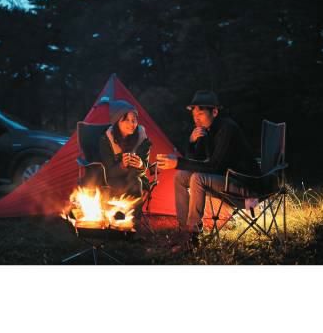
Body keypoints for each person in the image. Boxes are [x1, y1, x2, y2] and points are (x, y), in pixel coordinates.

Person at [157, 90, 260, 241]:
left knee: (198, 178)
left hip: (245, 184)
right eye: (194, 115)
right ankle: (183, 228)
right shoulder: (206, 130)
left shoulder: (227, 129)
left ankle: (192, 233)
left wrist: (178, 162)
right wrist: (192, 142)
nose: (196, 118)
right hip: (225, 178)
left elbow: (214, 166)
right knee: (180, 176)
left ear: (215, 112)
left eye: (200, 114)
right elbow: (196, 161)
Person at [99, 100, 151, 199]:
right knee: (129, 186)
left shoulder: (142, 139)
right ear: (117, 121)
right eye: (127, 120)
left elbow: (144, 166)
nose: (132, 124)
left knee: (136, 183)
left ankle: (132, 209)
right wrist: (122, 165)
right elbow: (108, 172)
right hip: (115, 179)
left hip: (136, 178)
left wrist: (141, 165)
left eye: (134, 120)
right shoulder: (106, 140)